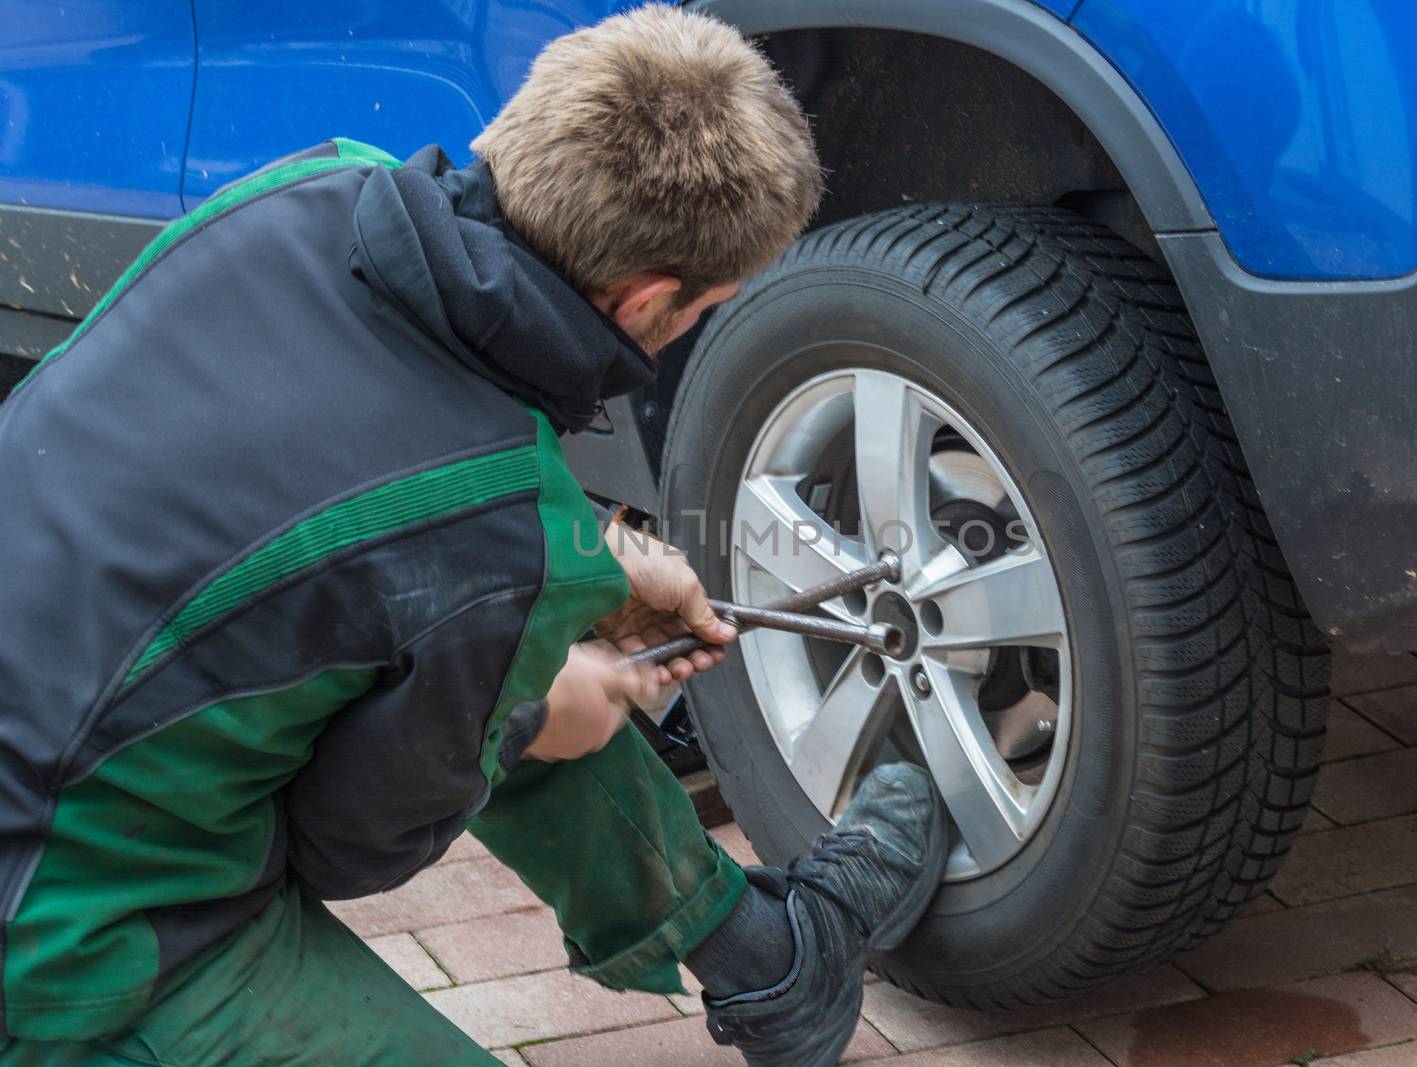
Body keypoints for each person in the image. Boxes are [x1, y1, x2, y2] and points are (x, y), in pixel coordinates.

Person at [0, 6, 948, 1065]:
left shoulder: (313, 184)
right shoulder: (496, 542)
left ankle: (770, 961)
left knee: (494, 645)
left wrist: (581, 563)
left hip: (59, 723)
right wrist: (537, 714)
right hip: (67, 930)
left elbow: (327, 490)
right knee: (500, 669)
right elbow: (349, 844)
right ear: (646, 301)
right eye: (707, 308)